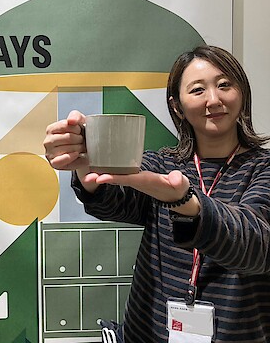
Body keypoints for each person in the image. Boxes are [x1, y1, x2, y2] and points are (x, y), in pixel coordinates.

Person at [43, 45, 270, 343]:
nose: (214, 99)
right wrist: (87, 168)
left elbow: (257, 248)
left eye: (224, 85)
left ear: (242, 93)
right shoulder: (162, 165)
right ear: (177, 107)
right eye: (198, 90)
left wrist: (186, 203)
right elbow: (113, 200)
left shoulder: (263, 168)